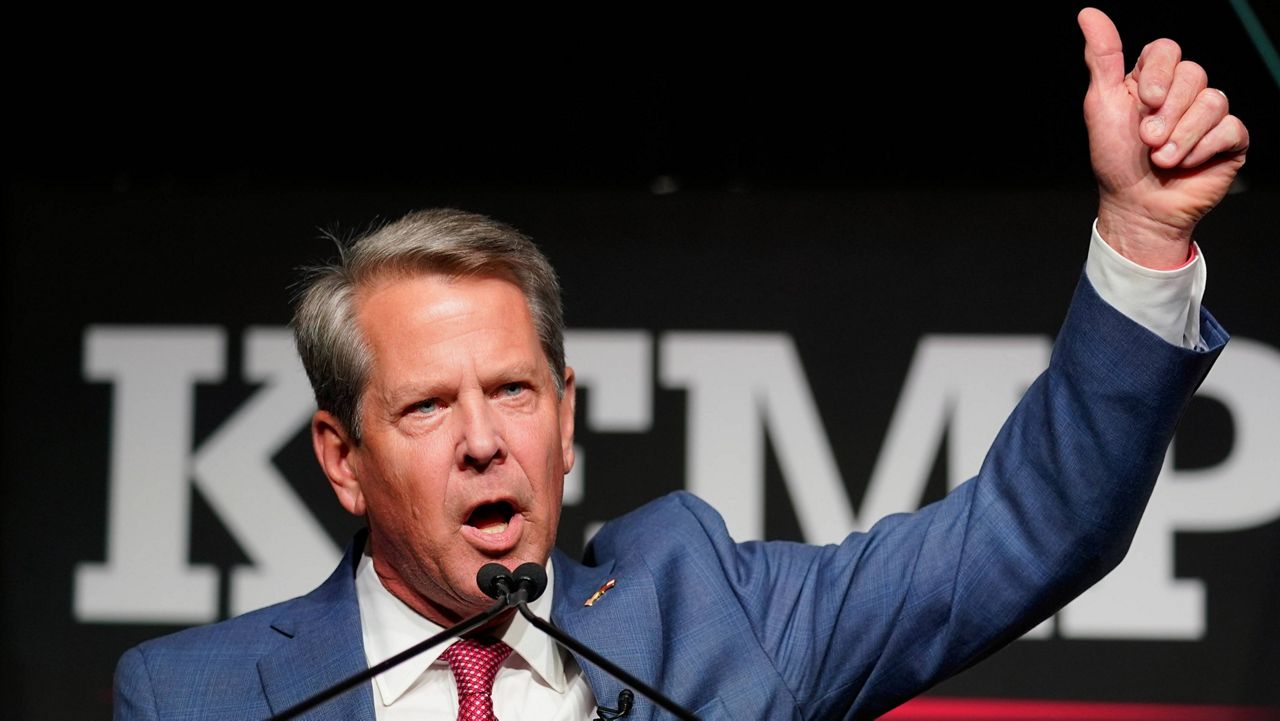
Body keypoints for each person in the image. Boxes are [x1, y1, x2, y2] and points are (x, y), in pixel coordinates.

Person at [113, 9, 1248, 721]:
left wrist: (1142, 237)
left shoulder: (710, 619)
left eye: (512, 389)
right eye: (423, 406)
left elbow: (1032, 528)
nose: (480, 437)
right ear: (341, 458)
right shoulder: (192, 697)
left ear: (565, 421)